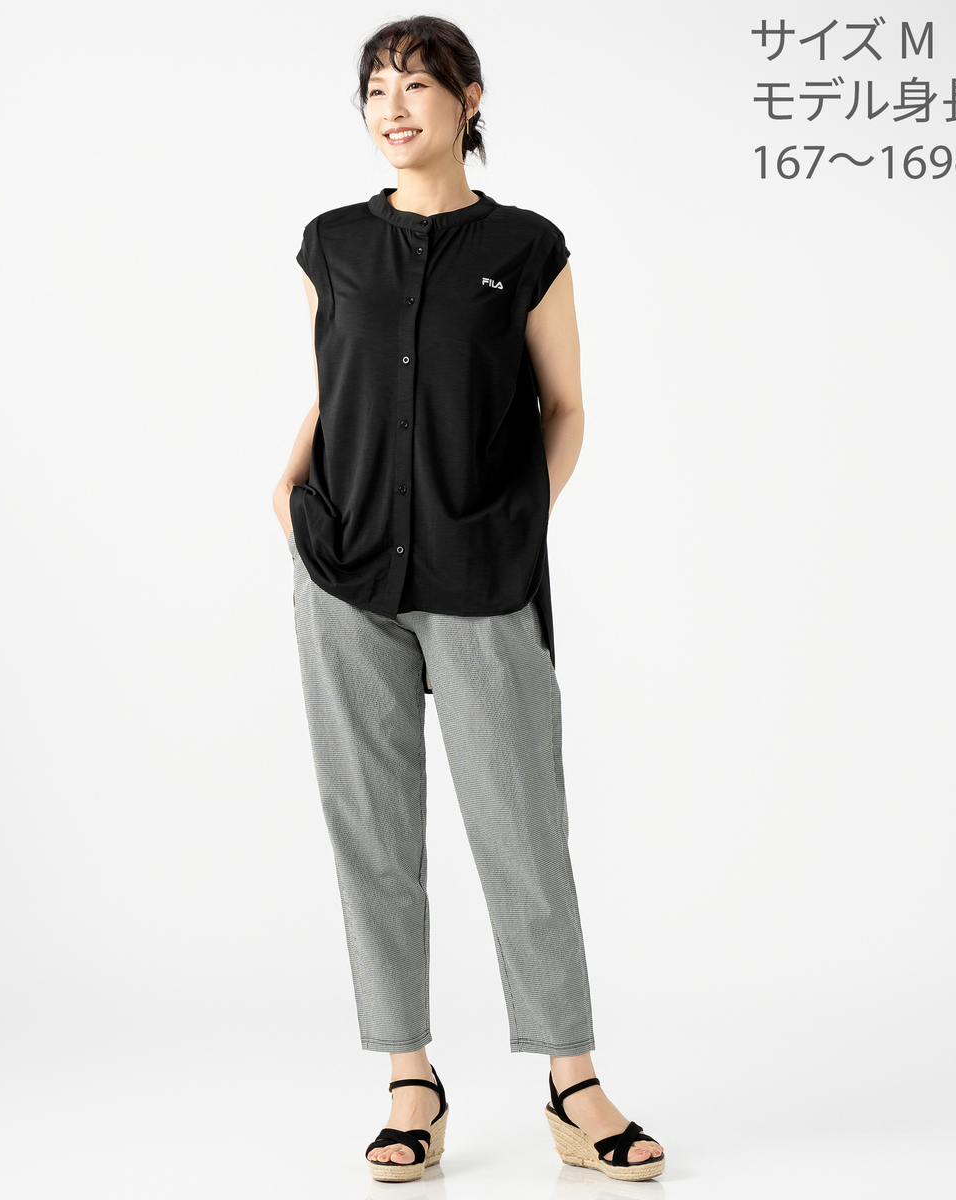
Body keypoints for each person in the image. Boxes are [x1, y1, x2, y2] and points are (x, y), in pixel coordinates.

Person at [272, 16, 665, 1185]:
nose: (393, 108)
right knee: (372, 831)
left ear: (470, 99)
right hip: (345, 572)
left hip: (481, 578)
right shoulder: (331, 244)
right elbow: (332, 386)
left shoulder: (526, 247)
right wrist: (288, 491)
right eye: (375, 89)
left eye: (416, 85)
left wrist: (513, 526)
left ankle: (572, 1080)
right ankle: (410, 1077)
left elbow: (567, 407)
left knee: (520, 830)